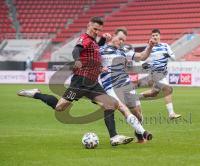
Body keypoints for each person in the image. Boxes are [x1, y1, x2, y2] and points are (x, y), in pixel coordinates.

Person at [17, 16, 133, 146]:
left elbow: (94, 49)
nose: (96, 32)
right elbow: (76, 49)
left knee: (110, 104)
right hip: (81, 82)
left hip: (93, 82)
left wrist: (103, 40)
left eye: (99, 30)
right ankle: (36, 94)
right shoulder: (84, 38)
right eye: (95, 29)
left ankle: (114, 137)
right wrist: (77, 60)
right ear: (88, 25)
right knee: (60, 107)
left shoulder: (93, 41)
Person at [99, 28, 156, 143]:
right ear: (113, 35)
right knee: (123, 109)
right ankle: (144, 132)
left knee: (138, 115)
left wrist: (149, 46)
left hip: (126, 85)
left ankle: (139, 134)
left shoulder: (123, 51)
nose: (121, 42)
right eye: (119, 38)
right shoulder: (100, 49)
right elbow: (89, 61)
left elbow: (141, 57)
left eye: (123, 40)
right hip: (111, 86)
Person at [139, 29, 181, 119]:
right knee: (167, 90)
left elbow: (173, 58)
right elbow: (142, 57)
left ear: (159, 36)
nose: (155, 37)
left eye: (156, 35)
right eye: (153, 35)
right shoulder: (150, 47)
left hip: (163, 73)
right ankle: (171, 114)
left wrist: (168, 55)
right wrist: (144, 65)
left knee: (154, 92)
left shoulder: (165, 46)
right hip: (155, 73)